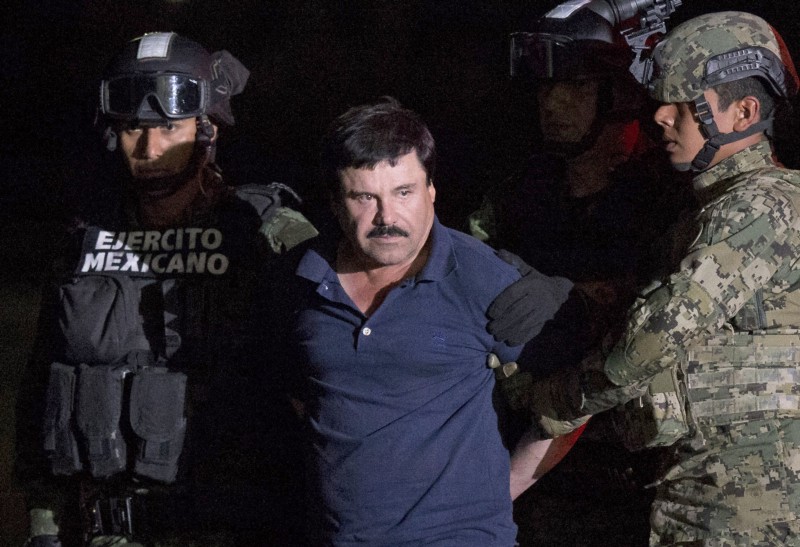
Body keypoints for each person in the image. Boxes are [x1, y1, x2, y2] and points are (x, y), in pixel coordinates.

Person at [489, 11, 800, 545]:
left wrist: (545, 397)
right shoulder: (707, 209)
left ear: (744, 112)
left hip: (741, 510)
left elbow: (642, 347)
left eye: (685, 104)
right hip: (706, 495)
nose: (660, 115)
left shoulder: (759, 208)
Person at [15, 31, 318, 546]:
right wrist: (43, 527)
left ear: (205, 128)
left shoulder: (263, 230)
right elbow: (44, 391)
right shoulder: (85, 238)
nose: (150, 149)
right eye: (133, 127)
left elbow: (350, 356)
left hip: (236, 530)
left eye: (168, 128)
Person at [256, 96, 574, 546]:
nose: (387, 217)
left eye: (403, 192)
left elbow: (580, 397)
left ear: (431, 191)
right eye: (365, 197)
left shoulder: (483, 279)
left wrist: (502, 491)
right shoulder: (299, 281)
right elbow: (300, 393)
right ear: (335, 202)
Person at [471, 12, 695, 546]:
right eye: (545, 87)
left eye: (574, 87)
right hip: (521, 451)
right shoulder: (520, 193)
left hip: (629, 469)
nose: (551, 102)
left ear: (619, 94)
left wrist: (579, 302)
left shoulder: (668, 200)